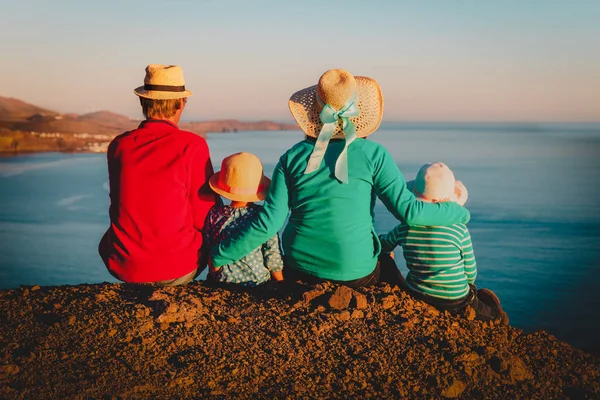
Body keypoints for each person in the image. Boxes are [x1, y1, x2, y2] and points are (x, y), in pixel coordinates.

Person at [211, 69, 470, 288]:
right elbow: (411, 213)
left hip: (298, 268)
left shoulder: (291, 157)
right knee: (386, 263)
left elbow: (268, 224)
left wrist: (221, 255)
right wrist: (458, 212)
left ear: (314, 112)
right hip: (355, 273)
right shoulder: (374, 155)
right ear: (358, 113)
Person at [98, 64, 219, 285]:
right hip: (177, 267)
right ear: (181, 103)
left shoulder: (119, 145)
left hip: (125, 265)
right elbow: (205, 214)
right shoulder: (192, 145)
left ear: (143, 102)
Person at [378, 162, 509, 324]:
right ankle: (496, 316)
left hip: (417, 293)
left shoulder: (405, 227)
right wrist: (469, 285)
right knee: (482, 310)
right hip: (454, 299)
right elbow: (470, 270)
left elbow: (384, 244)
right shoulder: (458, 229)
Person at [203, 152, 285, 286]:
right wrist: (281, 281)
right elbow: (271, 254)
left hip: (224, 280)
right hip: (258, 281)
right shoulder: (262, 217)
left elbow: (209, 245)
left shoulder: (215, 214)